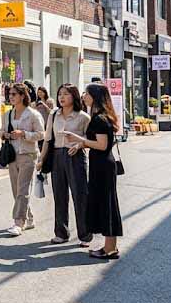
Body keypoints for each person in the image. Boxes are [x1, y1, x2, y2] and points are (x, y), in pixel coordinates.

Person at [63, 83, 124, 260]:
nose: (83, 97)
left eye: (86, 94)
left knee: (107, 205)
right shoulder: (100, 116)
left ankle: (110, 249)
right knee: (106, 204)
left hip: (103, 166)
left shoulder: (99, 119)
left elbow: (102, 145)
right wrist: (81, 143)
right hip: (102, 165)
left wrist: (79, 139)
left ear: (95, 96)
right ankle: (109, 247)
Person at [36, 84, 92, 246]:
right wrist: (41, 158)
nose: (62, 97)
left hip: (75, 157)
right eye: (60, 94)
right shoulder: (54, 115)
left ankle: (85, 235)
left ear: (73, 97)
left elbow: (90, 140)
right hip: (57, 156)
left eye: (66, 94)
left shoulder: (83, 117)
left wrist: (79, 145)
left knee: (80, 196)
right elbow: (47, 139)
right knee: (59, 196)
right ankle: (61, 233)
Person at [0, 82, 45, 236]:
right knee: (16, 190)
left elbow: (41, 134)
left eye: (14, 94)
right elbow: (1, 131)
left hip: (28, 154)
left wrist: (24, 134)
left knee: (23, 189)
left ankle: (19, 222)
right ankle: (29, 218)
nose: (10, 97)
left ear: (22, 96)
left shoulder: (33, 114)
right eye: (9, 94)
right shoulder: (8, 114)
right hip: (12, 155)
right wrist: (4, 134)